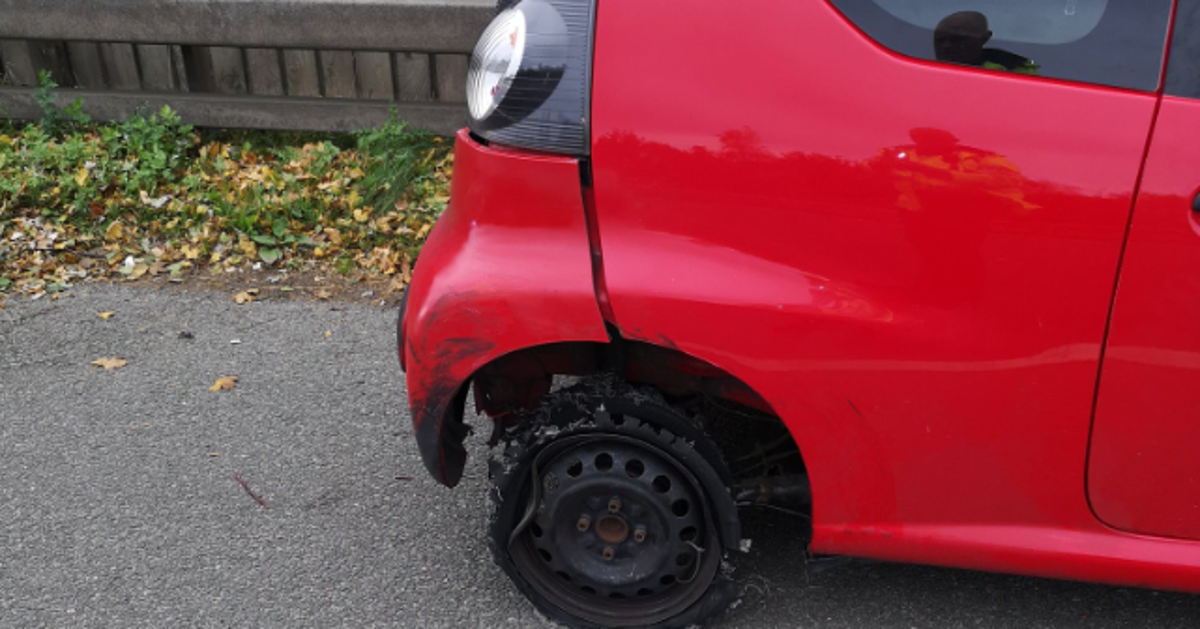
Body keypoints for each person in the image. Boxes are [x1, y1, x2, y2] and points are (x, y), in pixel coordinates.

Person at [933, 11, 1039, 75]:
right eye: (939, 40)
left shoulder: (1017, 74)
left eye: (957, 39)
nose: (946, 46)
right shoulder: (922, 68)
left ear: (983, 39)